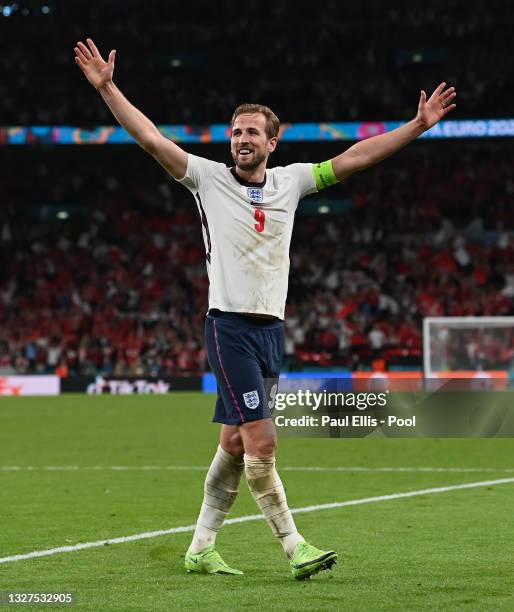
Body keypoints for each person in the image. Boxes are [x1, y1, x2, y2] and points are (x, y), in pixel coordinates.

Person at [74, 38, 456, 579]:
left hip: (270, 331)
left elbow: (355, 158)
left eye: (252, 132)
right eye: (236, 131)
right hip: (227, 326)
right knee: (263, 440)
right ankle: (294, 546)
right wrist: (108, 89)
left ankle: (201, 546)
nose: (241, 139)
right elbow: (150, 137)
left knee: (233, 442)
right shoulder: (206, 179)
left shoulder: (291, 181)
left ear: (272, 142)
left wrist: (416, 126)